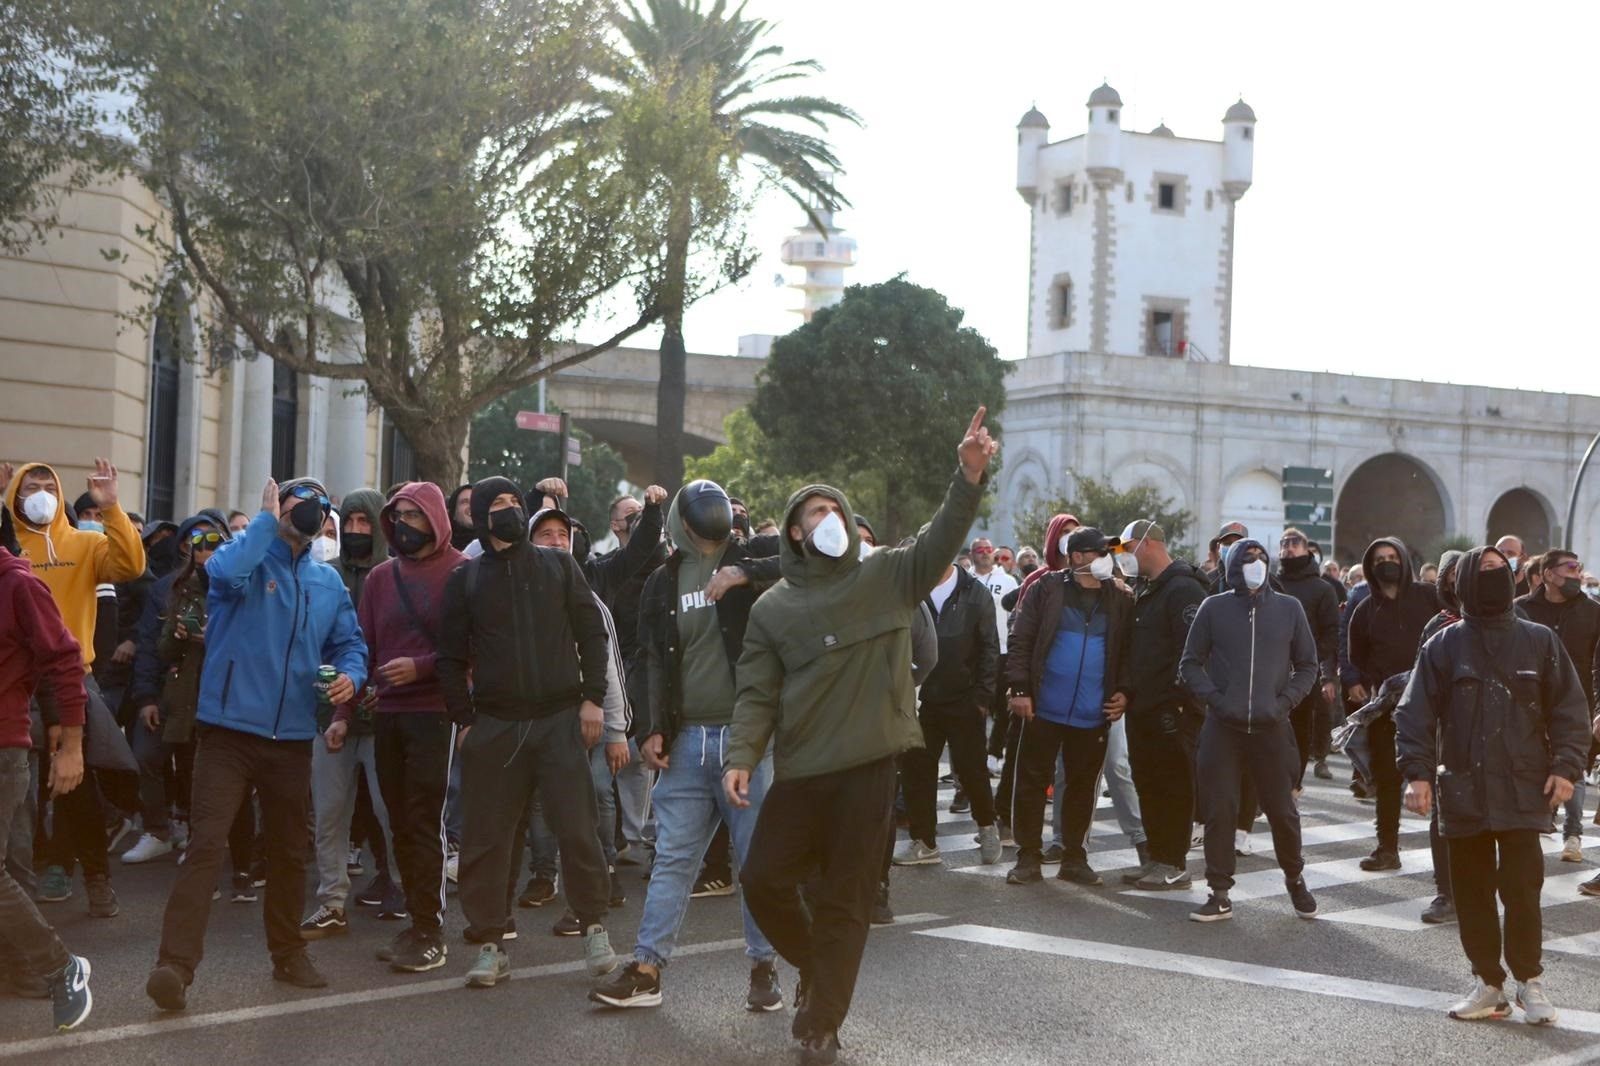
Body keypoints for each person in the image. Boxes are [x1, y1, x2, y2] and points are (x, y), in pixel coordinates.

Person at [725, 407, 997, 1064]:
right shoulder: (772, 608)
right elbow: (757, 692)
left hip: (871, 764)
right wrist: (741, 757)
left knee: (847, 899)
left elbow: (941, 538)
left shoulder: (887, 575)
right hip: (801, 769)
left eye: (836, 510)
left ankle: (822, 1020)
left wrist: (968, 475)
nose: (830, 521)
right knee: (762, 879)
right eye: (815, 512)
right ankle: (821, 972)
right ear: (793, 530)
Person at [145, 477, 367, 1010]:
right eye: (293, 504)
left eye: (313, 506)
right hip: (226, 733)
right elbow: (219, 570)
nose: (302, 513)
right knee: (205, 847)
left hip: (291, 738)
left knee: (290, 852)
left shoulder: (327, 583)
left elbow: (351, 644)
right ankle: (174, 967)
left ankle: (288, 954)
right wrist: (267, 524)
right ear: (275, 510)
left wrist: (351, 679)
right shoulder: (244, 564)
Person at [590, 479, 784, 1012]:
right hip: (686, 740)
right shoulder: (662, 581)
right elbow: (652, 657)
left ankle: (764, 967)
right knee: (673, 858)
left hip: (748, 741)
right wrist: (652, 726)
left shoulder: (753, 555)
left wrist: (746, 572)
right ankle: (647, 968)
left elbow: (809, 562)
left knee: (755, 863)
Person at [436, 476, 618, 988]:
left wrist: (590, 698)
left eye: (517, 502)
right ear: (479, 516)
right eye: (499, 504)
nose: (511, 511)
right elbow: (448, 659)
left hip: (560, 720)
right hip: (495, 725)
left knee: (578, 829)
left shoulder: (560, 565)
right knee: (487, 841)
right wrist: (465, 721)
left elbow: (592, 633)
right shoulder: (465, 580)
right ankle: (491, 943)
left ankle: (595, 928)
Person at [1397, 546, 1588, 1025]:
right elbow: (1414, 712)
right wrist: (1417, 773)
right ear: (1463, 584)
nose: (1495, 578)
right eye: (1483, 572)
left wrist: (1566, 768)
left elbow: (1570, 709)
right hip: (1462, 788)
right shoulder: (1442, 645)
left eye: (1501, 571)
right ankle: (1489, 984)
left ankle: (1530, 981)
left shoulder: (1539, 640)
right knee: (1472, 891)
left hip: (1525, 788)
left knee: (1523, 889)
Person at [4, 459, 145, 918]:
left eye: (49, 485)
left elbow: (129, 564)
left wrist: (111, 508)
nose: (41, 493)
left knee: (77, 785)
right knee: (22, 791)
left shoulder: (84, 542)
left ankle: (96, 876)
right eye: (30, 487)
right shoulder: (10, 548)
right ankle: (34, 882)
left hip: (71, 677)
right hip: (18, 685)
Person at [335, 482, 466, 973]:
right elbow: (362, 649)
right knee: (398, 824)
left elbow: (470, 650)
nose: (405, 524)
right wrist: (343, 714)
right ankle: (415, 921)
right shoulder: (380, 579)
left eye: (415, 515)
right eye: (399, 515)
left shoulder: (461, 573)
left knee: (422, 820)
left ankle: (432, 931)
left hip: (435, 712)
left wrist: (421, 667)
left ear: (436, 517)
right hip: (386, 714)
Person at [1179, 539, 1319, 923]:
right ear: (1231, 566)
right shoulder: (1214, 608)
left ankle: (1295, 878)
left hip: (1272, 727)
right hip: (1223, 727)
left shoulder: (1289, 609)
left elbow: (1308, 665)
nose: (1254, 564)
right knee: (1220, 808)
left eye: (1260, 558)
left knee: (1281, 811)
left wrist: (1285, 701)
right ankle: (1219, 891)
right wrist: (1215, 699)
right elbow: (1189, 664)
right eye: (1246, 559)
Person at [0, 508, 94, 1032]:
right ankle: (27, 968)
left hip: (4, 747)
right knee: (11, 864)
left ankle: (62, 970)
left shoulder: (19, 585)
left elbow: (64, 659)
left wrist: (72, 745)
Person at [1004, 527, 1132, 887]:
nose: (1108, 558)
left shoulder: (1120, 598)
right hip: (1042, 707)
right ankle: (1028, 856)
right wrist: (1019, 688)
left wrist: (1124, 691)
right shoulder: (1047, 589)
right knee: (1030, 782)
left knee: (1082, 785)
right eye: (1100, 552)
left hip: (1094, 712)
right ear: (1077, 557)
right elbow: (1021, 639)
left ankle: (1074, 857)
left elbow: (1126, 652)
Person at [301, 490, 400, 938]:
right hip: (330, 717)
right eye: (352, 521)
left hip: (384, 718)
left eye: (367, 522)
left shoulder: (395, 576)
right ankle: (332, 900)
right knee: (329, 813)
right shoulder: (324, 577)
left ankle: (403, 888)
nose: (357, 530)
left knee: (390, 811)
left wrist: (383, 686)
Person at [893, 551, 1002, 867]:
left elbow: (989, 648)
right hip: (919, 699)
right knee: (917, 772)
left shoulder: (975, 592)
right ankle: (924, 842)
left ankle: (987, 826)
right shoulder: (909, 590)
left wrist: (982, 698)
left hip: (964, 699)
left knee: (972, 770)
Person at [1116, 520, 1210, 889]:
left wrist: (1176, 701)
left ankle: (1174, 862)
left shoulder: (1183, 589)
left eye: (1126, 549)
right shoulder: (1147, 589)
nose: (1123, 557)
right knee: (1148, 781)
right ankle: (1157, 856)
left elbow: (1191, 652)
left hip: (1171, 709)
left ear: (1147, 544)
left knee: (1173, 784)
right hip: (1143, 707)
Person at [1347, 537, 1440, 870]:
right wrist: (1359, 681)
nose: (1387, 562)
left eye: (1392, 556)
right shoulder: (1364, 608)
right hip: (1386, 707)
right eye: (1379, 559)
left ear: (1404, 559)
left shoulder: (1429, 596)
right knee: (1387, 779)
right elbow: (1355, 654)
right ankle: (1387, 848)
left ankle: (1449, 865)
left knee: (1440, 779)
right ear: (1371, 568)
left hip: (1434, 703)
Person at [1515, 550, 1600, 867]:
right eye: (1570, 568)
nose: (1577, 574)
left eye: (1579, 568)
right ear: (1548, 574)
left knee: (1573, 768)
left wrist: (1598, 708)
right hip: (1529, 709)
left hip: (1578, 707)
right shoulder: (1520, 610)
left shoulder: (1593, 613)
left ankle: (1573, 832)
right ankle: (1533, 824)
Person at [1276, 529, 1340, 789]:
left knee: (1299, 732)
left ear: (1306, 550)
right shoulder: (1271, 584)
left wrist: (1308, 661)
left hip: (1304, 675)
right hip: (1269, 671)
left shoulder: (1323, 589)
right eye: (1284, 544)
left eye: (1294, 544)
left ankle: (1293, 785)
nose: (1288, 549)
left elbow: (1332, 633)